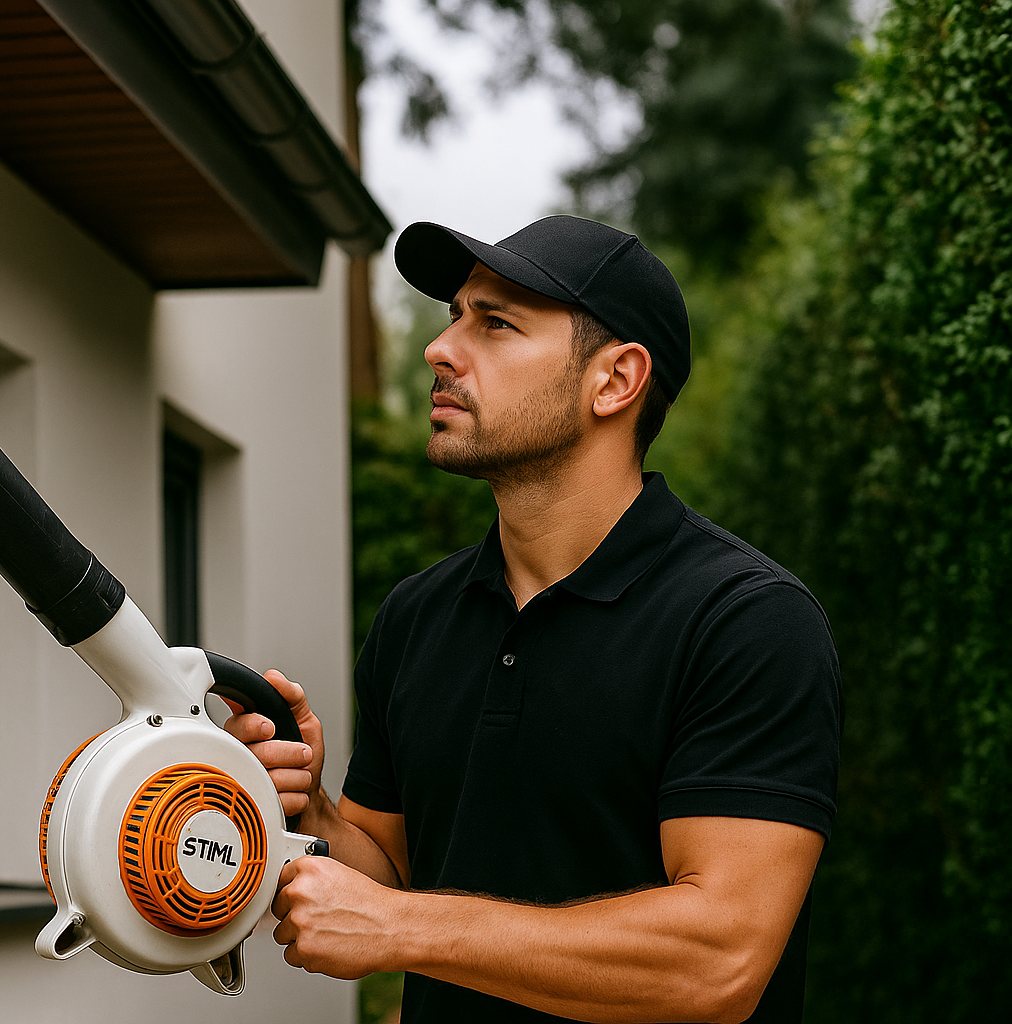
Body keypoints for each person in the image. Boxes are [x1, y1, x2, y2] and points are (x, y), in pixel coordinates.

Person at [228, 217, 841, 1023]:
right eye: (454, 315)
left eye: (496, 323)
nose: (441, 349)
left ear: (615, 380)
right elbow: (391, 880)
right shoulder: (417, 616)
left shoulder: (745, 622)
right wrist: (312, 813)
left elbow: (718, 960)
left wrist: (410, 927)